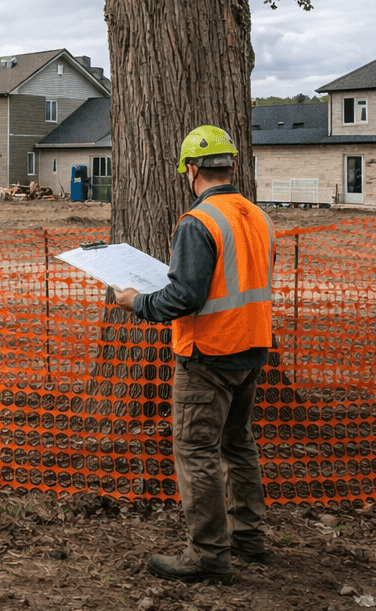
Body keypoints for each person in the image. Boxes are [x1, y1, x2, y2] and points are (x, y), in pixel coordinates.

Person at [113, 125, 274, 586]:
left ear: (191, 169)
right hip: (252, 347)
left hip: (208, 355)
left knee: (197, 451)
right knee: (238, 446)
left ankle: (207, 555)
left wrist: (136, 303)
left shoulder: (198, 222)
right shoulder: (259, 217)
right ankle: (248, 539)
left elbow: (183, 297)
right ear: (233, 166)